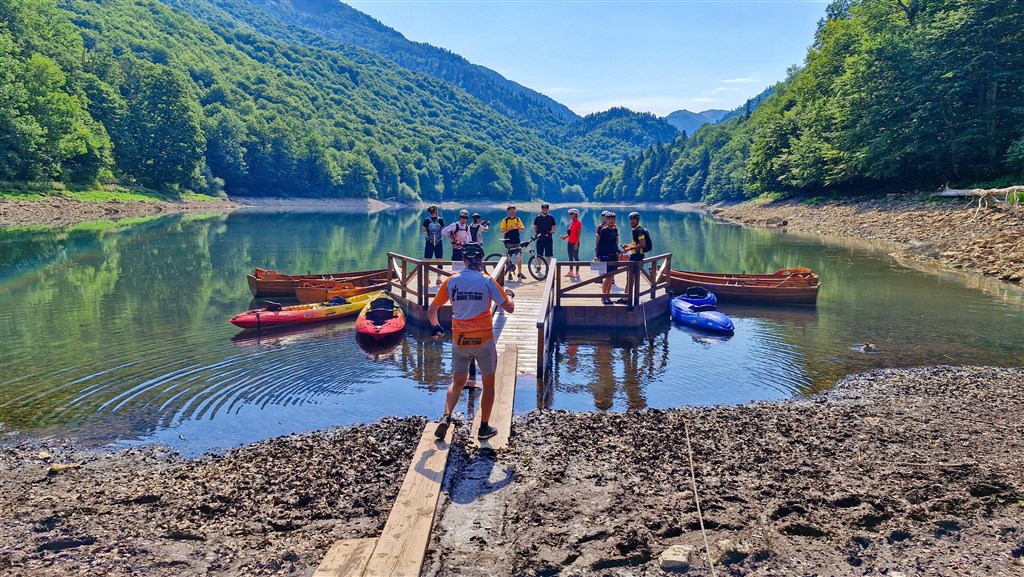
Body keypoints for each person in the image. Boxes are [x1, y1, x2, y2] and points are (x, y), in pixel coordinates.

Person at [428, 242, 516, 441]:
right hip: (484, 341)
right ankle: (483, 428)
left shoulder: (451, 281)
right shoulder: (487, 281)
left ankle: (446, 417)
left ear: (463, 260)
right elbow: (509, 308)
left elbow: (432, 310)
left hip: (460, 341)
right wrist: (509, 295)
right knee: (489, 382)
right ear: (481, 260)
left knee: (458, 381)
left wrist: (436, 327)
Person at [594, 211, 621, 305]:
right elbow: (600, 243)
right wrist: (597, 255)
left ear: (615, 220)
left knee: (611, 277)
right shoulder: (604, 230)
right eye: (609, 219)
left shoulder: (615, 230)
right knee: (607, 277)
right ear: (606, 220)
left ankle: (608, 296)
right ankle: (603, 297)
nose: (611, 221)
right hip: (606, 256)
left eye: (612, 219)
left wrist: (618, 251)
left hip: (614, 256)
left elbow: (615, 243)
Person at [499, 205, 527, 280]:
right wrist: (508, 229)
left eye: (513, 210)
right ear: (508, 211)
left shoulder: (518, 219)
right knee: (509, 257)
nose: (512, 211)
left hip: (517, 241)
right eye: (510, 210)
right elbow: (502, 231)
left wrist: (518, 226)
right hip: (508, 241)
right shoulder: (505, 220)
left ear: (515, 211)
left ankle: (519, 273)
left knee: (519, 257)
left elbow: (523, 229)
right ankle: (509, 274)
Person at [421, 205, 445, 285]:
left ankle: (427, 279)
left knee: (427, 260)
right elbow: (443, 230)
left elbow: (423, 231)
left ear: (430, 212)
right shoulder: (440, 220)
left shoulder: (426, 220)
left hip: (429, 242)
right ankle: (438, 279)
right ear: (436, 211)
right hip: (438, 242)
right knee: (439, 261)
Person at [560, 208, 582, 279]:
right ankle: (571, 272)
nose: (570, 215)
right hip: (569, 242)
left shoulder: (578, 223)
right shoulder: (571, 222)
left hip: (575, 242)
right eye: (570, 214)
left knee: (576, 257)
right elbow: (571, 233)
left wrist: (576, 243)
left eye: (571, 214)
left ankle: (577, 273)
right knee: (570, 257)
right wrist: (565, 237)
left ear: (576, 215)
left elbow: (579, 234)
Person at [533, 203, 556, 268]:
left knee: (548, 255)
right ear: (542, 209)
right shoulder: (538, 218)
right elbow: (535, 227)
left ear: (548, 209)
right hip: (540, 238)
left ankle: (547, 268)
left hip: (548, 238)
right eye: (543, 209)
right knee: (539, 254)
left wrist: (551, 232)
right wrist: (536, 235)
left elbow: (554, 226)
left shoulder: (551, 218)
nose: (545, 210)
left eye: (546, 209)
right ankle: (539, 267)